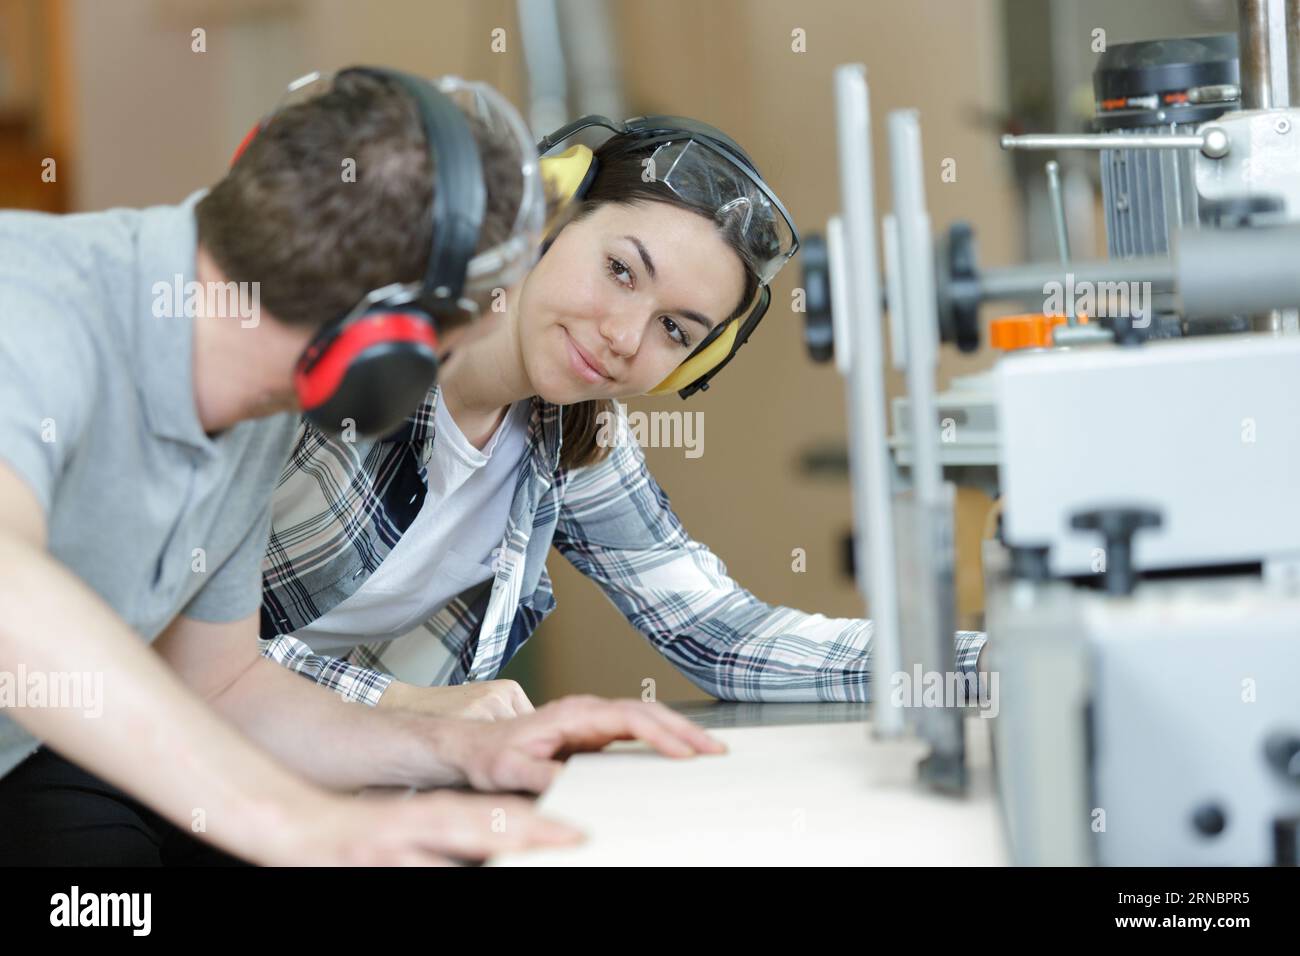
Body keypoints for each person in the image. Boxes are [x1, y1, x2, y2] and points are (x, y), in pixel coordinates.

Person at [0, 69, 721, 867]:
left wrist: (455, 750)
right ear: (385, 349)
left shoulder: (255, 419)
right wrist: (300, 828)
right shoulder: (31, 301)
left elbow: (224, 688)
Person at [257, 115, 989, 719]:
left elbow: (720, 635)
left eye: (676, 330)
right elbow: (173, 625)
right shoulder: (345, 348)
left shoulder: (574, 433)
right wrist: (405, 707)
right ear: (544, 219)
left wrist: (981, 665)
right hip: (160, 755)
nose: (625, 338)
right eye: (620, 271)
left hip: (297, 773)